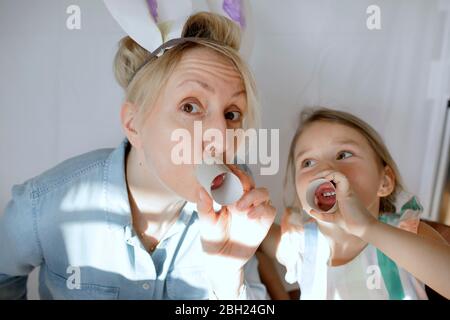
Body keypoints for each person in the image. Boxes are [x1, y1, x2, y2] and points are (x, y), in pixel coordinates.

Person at [0, 12, 276, 300]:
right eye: (191, 107)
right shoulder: (46, 206)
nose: (221, 134)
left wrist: (227, 277)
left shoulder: (233, 206)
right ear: (134, 124)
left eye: (232, 114)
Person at [259, 108, 450, 299]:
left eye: (343, 155)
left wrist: (367, 227)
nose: (324, 169)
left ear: (384, 182)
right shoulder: (299, 245)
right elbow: (251, 229)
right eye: (308, 162)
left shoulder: (407, 233)